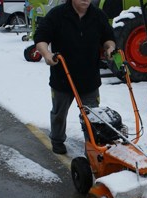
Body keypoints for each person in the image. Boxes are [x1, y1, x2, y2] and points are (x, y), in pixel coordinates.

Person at [34, 0, 116, 154]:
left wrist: (110, 47)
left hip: (89, 78)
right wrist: (46, 54)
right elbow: (41, 37)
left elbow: (108, 37)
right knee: (59, 113)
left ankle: (91, 148)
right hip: (62, 76)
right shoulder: (57, 14)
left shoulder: (98, 15)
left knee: (92, 117)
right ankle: (57, 140)